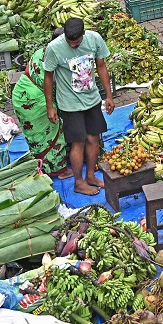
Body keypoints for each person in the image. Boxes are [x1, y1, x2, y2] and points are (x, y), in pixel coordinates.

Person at [43, 17, 115, 196]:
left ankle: (90, 175)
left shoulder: (94, 39)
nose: (73, 46)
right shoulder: (54, 48)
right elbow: (48, 77)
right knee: (78, 142)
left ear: (83, 34)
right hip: (69, 104)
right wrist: (50, 106)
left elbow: (101, 67)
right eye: (70, 43)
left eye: (76, 43)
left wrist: (109, 96)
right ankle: (79, 182)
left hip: (91, 99)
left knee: (93, 139)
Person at [12, 31, 69, 178]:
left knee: (37, 135)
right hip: (35, 100)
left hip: (20, 94)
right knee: (52, 132)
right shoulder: (56, 59)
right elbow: (54, 86)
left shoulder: (41, 51)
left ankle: (42, 165)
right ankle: (59, 170)